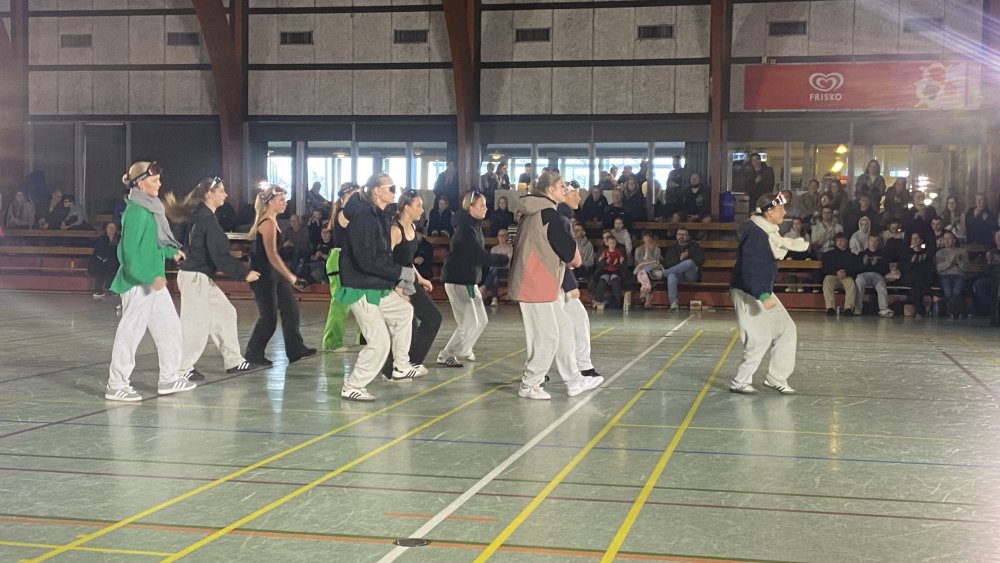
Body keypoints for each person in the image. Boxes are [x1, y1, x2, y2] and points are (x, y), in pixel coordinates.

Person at [508, 171, 603, 400]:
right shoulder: (550, 215)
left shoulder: (535, 212)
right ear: (550, 190)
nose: (565, 189)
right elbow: (573, 257)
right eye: (562, 186)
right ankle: (530, 384)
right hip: (536, 284)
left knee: (564, 329)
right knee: (548, 337)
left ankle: (574, 380)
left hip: (544, 283)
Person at [105, 161, 196, 402]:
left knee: (170, 328)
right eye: (154, 180)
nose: (159, 184)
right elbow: (128, 255)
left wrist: (170, 252)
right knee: (130, 333)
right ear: (140, 184)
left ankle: (169, 378)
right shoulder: (135, 212)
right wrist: (149, 277)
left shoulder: (150, 209)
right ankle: (116, 384)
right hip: (138, 283)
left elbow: (151, 245)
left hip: (153, 281)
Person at [165, 176, 264, 381]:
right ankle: (182, 368)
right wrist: (244, 273)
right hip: (195, 278)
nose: (225, 195)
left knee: (226, 313)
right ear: (210, 194)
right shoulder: (205, 219)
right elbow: (219, 255)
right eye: (221, 191)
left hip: (199, 277)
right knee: (196, 325)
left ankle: (234, 361)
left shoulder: (200, 216)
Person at [338, 174, 420, 401]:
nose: (395, 192)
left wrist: (396, 281)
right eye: (391, 188)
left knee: (404, 311)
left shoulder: (379, 215)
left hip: (374, 284)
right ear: (377, 191)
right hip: (360, 287)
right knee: (379, 342)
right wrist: (399, 273)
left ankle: (401, 366)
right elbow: (366, 260)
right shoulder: (365, 218)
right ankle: (353, 385)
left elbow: (381, 255)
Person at [728, 193, 809, 395]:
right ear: (768, 212)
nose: (784, 212)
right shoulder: (756, 235)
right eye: (780, 208)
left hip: (761, 290)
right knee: (759, 338)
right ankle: (740, 380)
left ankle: (776, 377)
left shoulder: (767, 232)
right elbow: (750, 270)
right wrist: (763, 296)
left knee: (786, 328)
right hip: (749, 291)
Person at [244, 185, 315, 366]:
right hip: (263, 276)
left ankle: (295, 349)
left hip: (273, 273)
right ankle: (253, 353)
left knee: (291, 309)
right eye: (281, 200)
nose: (285, 203)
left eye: (284, 199)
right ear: (270, 202)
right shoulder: (267, 223)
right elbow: (272, 255)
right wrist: (292, 278)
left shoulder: (273, 221)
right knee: (269, 318)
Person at [437, 191, 509, 367]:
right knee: (467, 322)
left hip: (469, 279)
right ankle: (446, 354)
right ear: (470, 207)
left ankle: (465, 348)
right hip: (458, 280)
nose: (485, 208)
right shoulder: (465, 230)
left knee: (481, 320)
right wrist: (504, 260)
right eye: (481, 205)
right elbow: (479, 255)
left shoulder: (474, 226)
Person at [381, 189, 440, 377]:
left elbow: (407, 260)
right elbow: (385, 261)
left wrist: (420, 278)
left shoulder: (412, 228)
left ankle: (410, 362)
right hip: (397, 281)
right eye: (418, 206)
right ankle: (394, 367)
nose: (422, 209)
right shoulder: (395, 230)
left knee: (431, 318)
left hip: (409, 280)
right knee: (411, 323)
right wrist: (395, 288)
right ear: (406, 208)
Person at [322, 182, 359, 351]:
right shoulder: (343, 213)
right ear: (344, 197)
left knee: (364, 300)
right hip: (340, 259)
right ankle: (332, 342)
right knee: (340, 303)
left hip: (352, 259)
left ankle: (365, 338)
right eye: (353, 195)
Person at [661, 227, 704, 310]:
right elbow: (667, 263)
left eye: (683, 234)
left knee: (689, 262)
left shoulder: (694, 246)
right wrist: (680, 260)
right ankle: (673, 303)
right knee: (671, 276)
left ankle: (663, 273)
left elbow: (701, 260)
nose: (681, 236)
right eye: (679, 234)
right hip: (679, 275)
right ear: (676, 236)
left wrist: (688, 255)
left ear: (688, 236)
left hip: (691, 275)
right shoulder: (672, 248)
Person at [821, 233, 860, 316]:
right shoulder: (828, 255)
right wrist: (836, 272)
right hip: (833, 276)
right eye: (837, 240)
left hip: (847, 276)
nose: (839, 242)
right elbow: (825, 268)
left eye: (842, 240)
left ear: (846, 241)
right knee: (827, 280)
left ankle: (848, 308)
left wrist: (846, 272)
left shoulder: (853, 256)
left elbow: (856, 269)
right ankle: (830, 308)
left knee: (851, 283)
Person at [856, 235, 894, 317]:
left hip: (877, 275)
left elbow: (885, 270)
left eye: (876, 241)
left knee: (881, 284)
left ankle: (884, 308)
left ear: (878, 242)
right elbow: (857, 269)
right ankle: (858, 308)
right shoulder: (862, 253)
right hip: (863, 274)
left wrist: (876, 265)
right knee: (859, 280)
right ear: (868, 241)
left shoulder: (883, 254)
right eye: (871, 240)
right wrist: (864, 263)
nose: (873, 243)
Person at [899, 232, 935, 317]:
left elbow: (927, 267)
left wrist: (917, 265)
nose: (914, 240)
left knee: (918, 282)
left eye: (917, 238)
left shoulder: (926, 253)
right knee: (917, 279)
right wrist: (912, 262)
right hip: (908, 278)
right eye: (913, 239)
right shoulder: (906, 253)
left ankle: (918, 310)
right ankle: (920, 309)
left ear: (921, 240)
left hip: (922, 278)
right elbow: (904, 268)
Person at [935, 231, 969, 318]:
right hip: (945, 276)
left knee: (956, 291)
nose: (946, 241)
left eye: (949, 238)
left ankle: (953, 312)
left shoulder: (962, 252)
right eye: (945, 239)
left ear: (954, 240)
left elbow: (965, 268)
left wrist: (959, 261)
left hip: (959, 276)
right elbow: (938, 268)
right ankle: (952, 312)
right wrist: (950, 262)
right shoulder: (940, 253)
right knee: (948, 292)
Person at [592, 231, 626, 308]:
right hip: (605, 270)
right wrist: (605, 261)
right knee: (603, 278)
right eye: (610, 242)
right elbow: (599, 261)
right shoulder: (603, 249)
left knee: (614, 279)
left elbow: (623, 261)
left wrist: (618, 262)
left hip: (616, 270)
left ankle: (618, 303)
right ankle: (597, 301)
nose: (612, 244)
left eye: (613, 243)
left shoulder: (620, 249)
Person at [88, 221, 119, 298]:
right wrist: (104, 259)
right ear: (106, 229)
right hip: (101, 261)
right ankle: (98, 290)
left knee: (115, 267)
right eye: (110, 227)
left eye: (113, 227)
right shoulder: (101, 239)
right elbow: (98, 252)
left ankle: (113, 288)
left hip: (115, 261)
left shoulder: (119, 239)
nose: (112, 229)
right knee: (101, 269)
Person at [633, 231, 662, 310]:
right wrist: (644, 262)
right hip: (641, 269)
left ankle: (643, 292)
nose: (648, 239)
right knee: (645, 271)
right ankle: (648, 298)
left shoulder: (657, 249)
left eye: (649, 237)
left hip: (653, 268)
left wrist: (648, 252)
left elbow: (656, 261)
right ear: (643, 239)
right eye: (646, 237)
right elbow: (637, 262)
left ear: (651, 239)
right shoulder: (638, 249)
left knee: (647, 271)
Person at [483, 228, 512, 306]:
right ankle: (494, 298)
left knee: (494, 272)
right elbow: (492, 261)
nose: (501, 237)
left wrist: (499, 261)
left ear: (507, 237)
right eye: (500, 235)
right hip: (495, 270)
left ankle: (485, 287)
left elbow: (509, 260)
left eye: (503, 235)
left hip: (506, 270)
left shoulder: (510, 248)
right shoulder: (494, 249)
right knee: (494, 275)